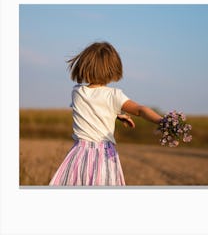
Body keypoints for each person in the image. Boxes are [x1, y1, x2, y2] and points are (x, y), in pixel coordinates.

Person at [49, 41, 162, 186]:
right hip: (103, 157)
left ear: (84, 65)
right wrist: (163, 121)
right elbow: (140, 110)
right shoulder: (115, 95)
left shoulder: (77, 92)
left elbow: (91, 108)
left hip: (78, 155)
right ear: (113, 68)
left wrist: (117, 114)